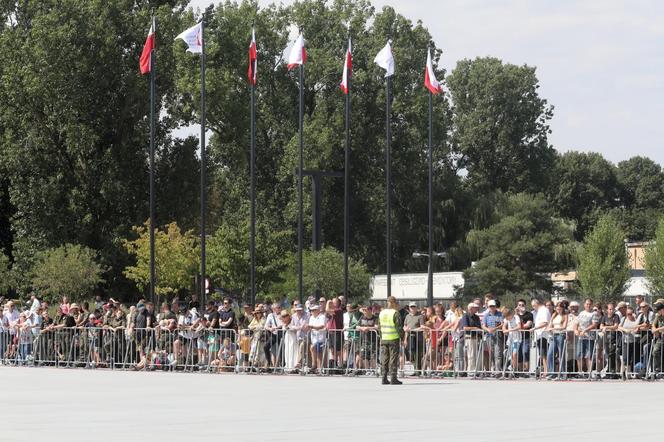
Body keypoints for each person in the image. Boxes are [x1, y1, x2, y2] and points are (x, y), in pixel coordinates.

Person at [379, 296, 403, 385]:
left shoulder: (382, 313)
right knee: (393, 358)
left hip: (384, 338)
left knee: (384, 358)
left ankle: (384, 377)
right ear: (393, 303)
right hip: (393, 338)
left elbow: (379, 327)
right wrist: (402, 338)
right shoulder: (395, 313)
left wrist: (381, 337)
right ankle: (393, 378)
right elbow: (399, 327)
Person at [481, 300, 503, 376]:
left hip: (498, 336)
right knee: (492, 354)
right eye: (490, 306)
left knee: (498, 353)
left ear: (495, 306)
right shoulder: (486, 315)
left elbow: (502, 324)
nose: (492, 307)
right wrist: (488, 329)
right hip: (489, 336)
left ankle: (498, 371)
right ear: (488, 307)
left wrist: (495, 328)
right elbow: (483, 325)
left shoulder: (500, 314)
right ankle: (494, 370)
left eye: (493, 306)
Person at [546, 302, 568, 379]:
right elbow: (550, 323)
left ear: (563, 308)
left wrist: (553, 328)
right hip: (553, 336)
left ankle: (562, 374)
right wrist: (549, 328)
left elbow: (564, 327)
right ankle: (551, 373)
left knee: (561, 354)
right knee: (550, 354)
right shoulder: (554, 315)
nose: (558, 308)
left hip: (561, 335)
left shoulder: (565, 316)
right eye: (557, 307)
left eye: (560, 307)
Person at [460, 303, 482, 376]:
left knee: (477, 356)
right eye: (475, 307)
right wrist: (475, 328)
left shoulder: (476, 317)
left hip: (477, 338)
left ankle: (476, 371)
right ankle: (470, 371)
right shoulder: (465, 316)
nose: (476, 309)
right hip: (469, 338)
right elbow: (465, 328)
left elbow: (480, 327)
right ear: (470, 308)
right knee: (471, 355)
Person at [403, 302, 425, 374]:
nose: (412, 308)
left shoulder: (420, 316)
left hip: (418, 336)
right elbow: (405, 326)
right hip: (409, 336)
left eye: (414, 307)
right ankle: (413, 369)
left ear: (416, 307)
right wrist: (405, 338)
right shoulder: (407, 316)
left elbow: (422, 327)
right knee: (410, 353)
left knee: (418, 354)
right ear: (409, 308)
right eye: (411, 307)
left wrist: (413, 330)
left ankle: (417, 370)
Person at [600, 302, 620, 378]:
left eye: (612, 309)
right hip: (606, 339)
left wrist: (606, 327)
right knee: (608, 355)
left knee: (612, 354)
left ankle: (612, 371)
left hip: (614, 339)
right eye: (610, 309)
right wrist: (605, 327)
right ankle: (608, 371)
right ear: (607, 310)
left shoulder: (616, 316)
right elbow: (601, 326)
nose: (611, 310)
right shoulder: (604, 317)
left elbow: (615, 326)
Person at [619, 306, 640, 380]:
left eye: (630, 314)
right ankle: (625, 373)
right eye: (628, 314)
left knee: (634, 358)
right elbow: (619, 327)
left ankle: (635, 374)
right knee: (625, 358)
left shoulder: (636, 319)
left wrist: (636, 330)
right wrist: (625, 330)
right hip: (626, 341)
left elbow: (638, 327)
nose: (629, 315)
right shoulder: (623, 319)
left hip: (635, 341)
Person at [532, 299, 551, 377]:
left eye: (533, 305)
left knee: (544, 354)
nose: (533, 307)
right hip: (540, 335)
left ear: (537, 304)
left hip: (544, 335)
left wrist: (534, 328)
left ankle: (547, 371)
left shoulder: (544, 310)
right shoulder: (540, 311)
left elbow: (545, 322)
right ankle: (545, 371)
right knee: (543, 354)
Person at [502, 308, 521, 377]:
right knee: (509, 355)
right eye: (506, 317)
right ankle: (511, 369)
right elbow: (503, 326)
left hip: (517, 339)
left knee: (514, 354)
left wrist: (510, 330)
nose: (507, 318)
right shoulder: (506, 319)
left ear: (511, 314)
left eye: (508, 316)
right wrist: (504, 330)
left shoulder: (516, 317)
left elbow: (519, 326)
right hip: (510, 339)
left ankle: (513, 369)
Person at [308, 305, 327, 373]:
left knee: (319, 353)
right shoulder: (311, 317)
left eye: (313, 310)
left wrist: (312, 327)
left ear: (318, 310)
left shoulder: (322, 316)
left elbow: (322, 326)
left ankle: (319, 368)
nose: (312, 311)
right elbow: (310, 327)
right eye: (311, 310)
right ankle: (315, 366)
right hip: (314, 338)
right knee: (313, 349)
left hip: (321, 338)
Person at [650, 303, 664, 379]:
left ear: (662, 309)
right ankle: (658, 369)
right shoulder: (658, 316)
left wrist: (657, 329)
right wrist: (654, 330)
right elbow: (653, 325)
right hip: (661, 338)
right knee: (655, 351)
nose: (657, 312)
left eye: (658, 310)